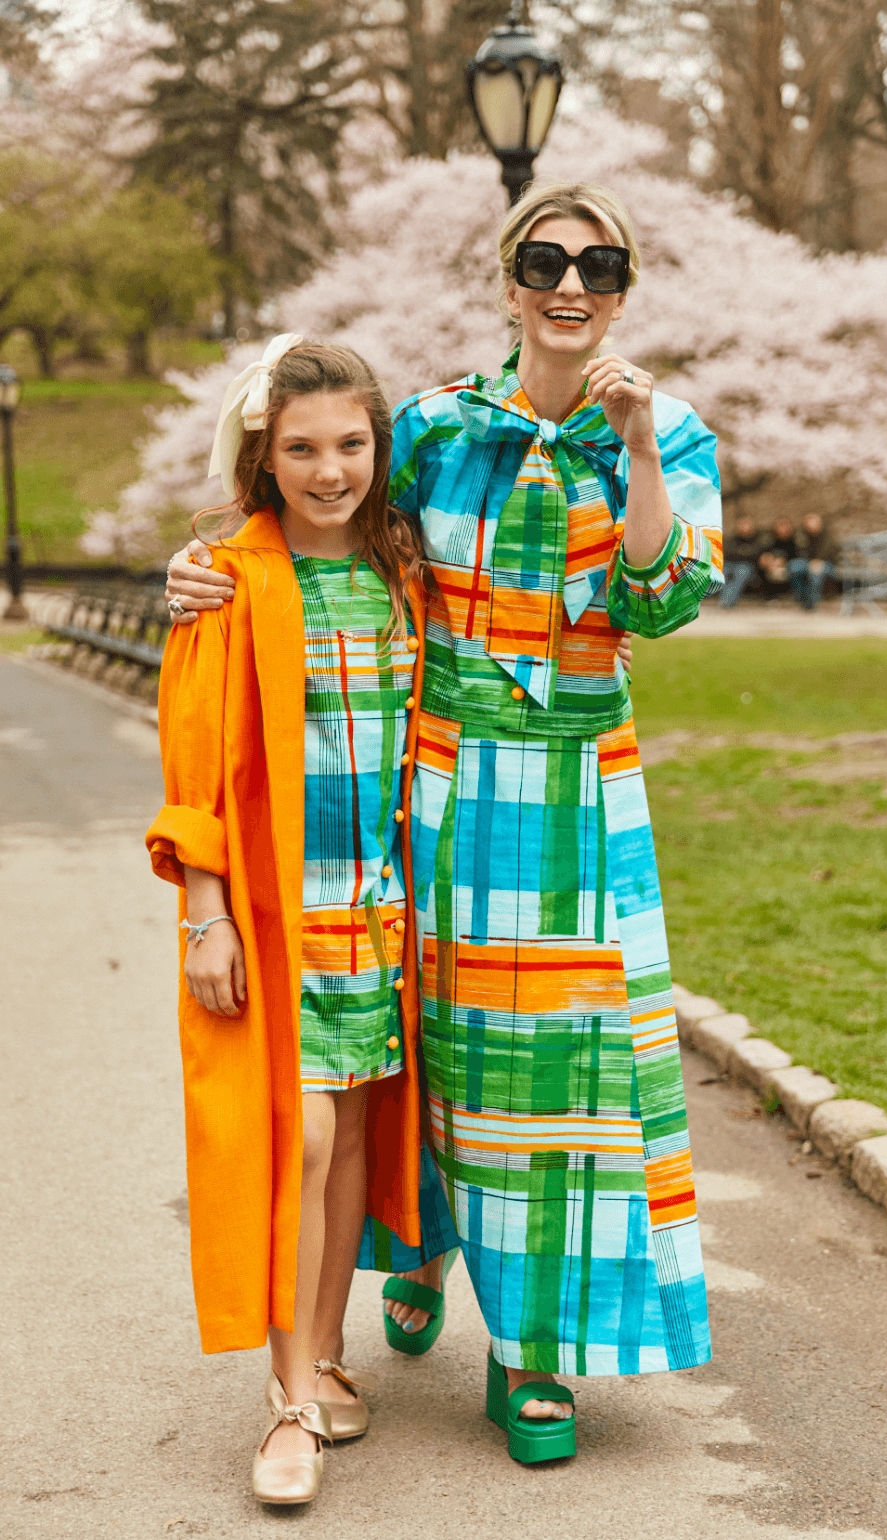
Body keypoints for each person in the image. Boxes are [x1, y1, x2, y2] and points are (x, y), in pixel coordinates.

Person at [165, 180, 723, 1464]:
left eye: (597, 263)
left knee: (559, 1075)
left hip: (575, 794)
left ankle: (533, 1354)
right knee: (410, 1052)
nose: (569, 283)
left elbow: (654, 598)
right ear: (506, 279)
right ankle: (424, 1252)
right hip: (423, 791)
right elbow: (321, 528)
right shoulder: (424, 425)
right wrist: (201, 569)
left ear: (627, 284)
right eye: (543, 259)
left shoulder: (674, 434)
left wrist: (633, 445)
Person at [147, 337, 456, 1506]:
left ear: (378, 448)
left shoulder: (401, 577)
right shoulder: (225, 581)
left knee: (358, 1143)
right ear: (260, 458)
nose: (329, 470)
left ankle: (324, 1353)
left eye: (350, 445)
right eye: (300, 449)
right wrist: (204, 915)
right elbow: (198, 768)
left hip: (377, 915)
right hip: (277, 915)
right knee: (302, 1139)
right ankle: (285, 1402)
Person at [789, 511, 839, 611]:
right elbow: (801, 551)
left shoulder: (827, 535)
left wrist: (817, 561)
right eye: (808, 523)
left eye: (813, 523)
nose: (810, 526)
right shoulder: (803, 535)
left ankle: (812, 602)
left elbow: (827, 552)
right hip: (808, 563)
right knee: (793, 566)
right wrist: (810, 562)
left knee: (816, 571)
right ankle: (800, 597)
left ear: (819, 523)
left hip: (828, 564)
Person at [719, 512, 767, 608]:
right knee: (723, 571)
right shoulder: (732, 539)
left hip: (750, 569)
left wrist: (741, 553)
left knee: (741, 571)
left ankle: (726, 601)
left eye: (747, 524)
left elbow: (756, 555)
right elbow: (727, 554)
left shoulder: (758, 539)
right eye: (742, 524)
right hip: (730, 565)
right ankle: (725, 600)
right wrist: (746, 553)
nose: (745, 527)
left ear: (752, 526)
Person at [758, 514, 799, 594]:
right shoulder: (768, 539)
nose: (782, 528)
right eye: (780, 525)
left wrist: (783, 562)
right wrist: (769, 561)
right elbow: (761, 553)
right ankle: (769, 595)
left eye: (785, 525)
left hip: (790, 565)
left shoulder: (796, 539)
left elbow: (800, 556)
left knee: (794, 568)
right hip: (771, 566)